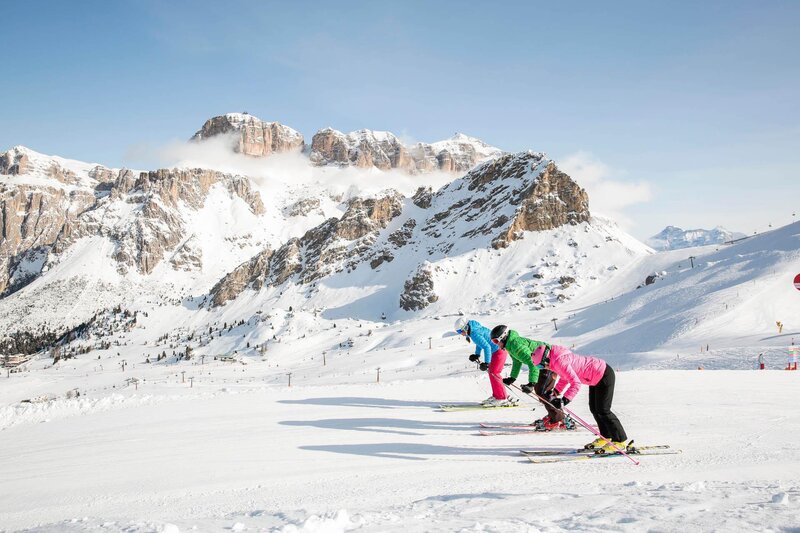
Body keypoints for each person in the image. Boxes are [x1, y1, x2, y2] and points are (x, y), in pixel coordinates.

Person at [532, 344, 628, 453]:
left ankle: (620, 441)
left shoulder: (560, 362)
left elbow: (576, 383)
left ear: (546, 359)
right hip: (595, 378)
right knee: (594, 409)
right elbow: (565, 378)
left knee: (603, 410)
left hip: (604, 374)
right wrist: (555, 392)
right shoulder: (556, 361)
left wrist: (564, 400)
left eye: (541, 365)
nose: (543, 368)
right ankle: (607, 437)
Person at [490, 325, 567, 430]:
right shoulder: (510, 345)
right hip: (543, 364)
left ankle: (557, 419)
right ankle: (554, 415)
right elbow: (517, 361)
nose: (496, 344)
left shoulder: (516, 345)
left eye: (495, 341)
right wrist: (512, 377)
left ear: (503, 337)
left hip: (549, 362)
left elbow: (532, 363)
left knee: (543, 392)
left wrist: (531, 383)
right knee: (542, 391)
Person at [454, 318, 512, 406]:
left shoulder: (474, 333)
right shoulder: (475, 329)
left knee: (494, 373)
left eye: (459, 331)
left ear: (465, 328)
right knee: (492, 372)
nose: (460, 334)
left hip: (499, 351)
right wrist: (477, 354)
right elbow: (480, 343)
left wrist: (487, 363)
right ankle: (497, 396)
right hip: (497, 351)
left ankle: (502, 398)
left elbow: (487, 347)